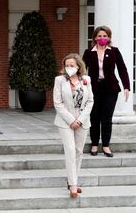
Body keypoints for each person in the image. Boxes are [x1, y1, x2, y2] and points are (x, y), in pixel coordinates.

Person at [82, 26, 130, 157]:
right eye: (99, 36)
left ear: (108, 37)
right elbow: (81, 69)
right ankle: (94, 144)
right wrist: (80, 81)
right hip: (93, 89)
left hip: (110, 89)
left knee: (107, 118)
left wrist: (126, 86)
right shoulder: (88, 52)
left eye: (105, 36)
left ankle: (106, 145)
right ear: (95, 38)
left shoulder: (114, 51)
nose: (102, 38)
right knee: (94, 117)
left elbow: (122, 69)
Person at [53, 53, 94, 198]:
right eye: (67, 65)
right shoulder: (59, 80)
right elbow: (58, 103)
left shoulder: (86, 80)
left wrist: (81, 119)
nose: (69, 68)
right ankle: (74, 185)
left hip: (82, 121)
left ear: (78, 66)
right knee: (70, 150)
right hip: (65, 121)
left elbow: (90, 101)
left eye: (72, 65)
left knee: (78, 151)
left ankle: (73, 181)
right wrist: (71, 120)